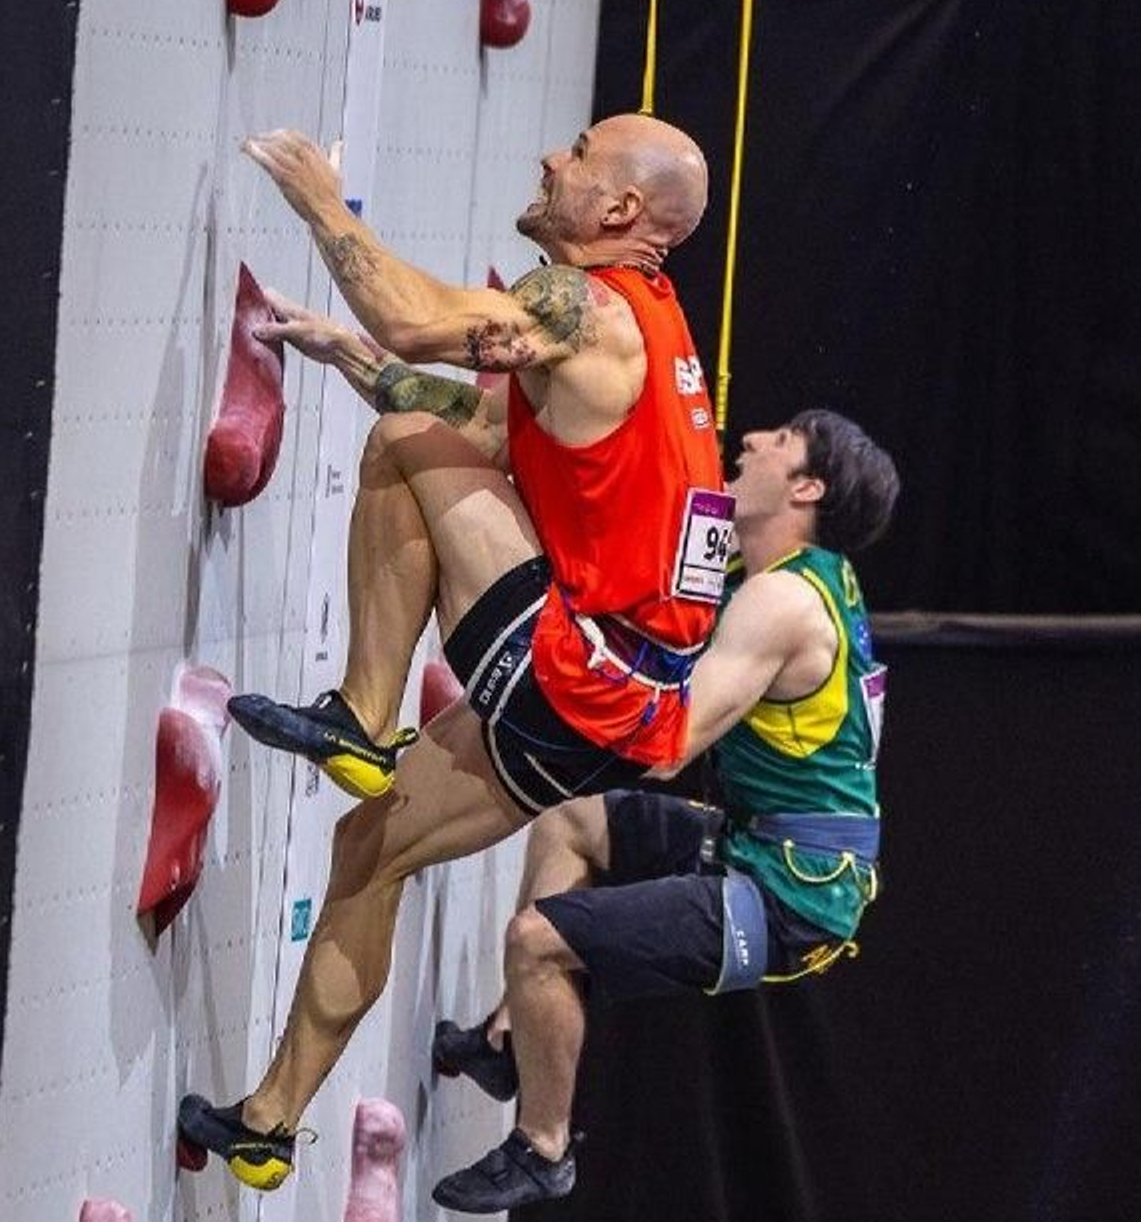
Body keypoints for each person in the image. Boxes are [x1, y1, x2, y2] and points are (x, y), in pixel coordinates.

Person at [176, 114, 730, 1193]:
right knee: (368, 850)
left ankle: (361, 718)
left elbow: (417, 323)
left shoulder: (586, 307)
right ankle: (267, 1128)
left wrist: (318, 199)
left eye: (578, 153)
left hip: (574, 676)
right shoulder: (637, 330)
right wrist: (344, 352)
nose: (552, 160)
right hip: (603, 715)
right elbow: (471, 432)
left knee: (397, 448)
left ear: (621, 209)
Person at [429, 409, 900, 1213]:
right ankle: (516, 1035)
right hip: (770, 844)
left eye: (780, 440)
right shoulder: (813, 575)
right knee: (571, 820)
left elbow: (668, 747)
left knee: (535, 942)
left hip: (794, 894)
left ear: (808, 489)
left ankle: (543, 1147)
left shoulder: (783, 602)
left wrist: (561, 671)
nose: (752, 441)